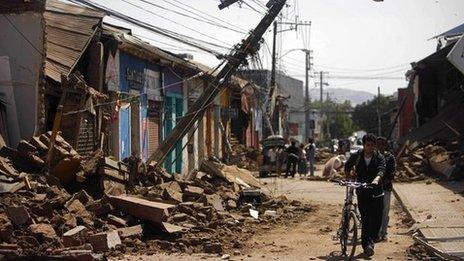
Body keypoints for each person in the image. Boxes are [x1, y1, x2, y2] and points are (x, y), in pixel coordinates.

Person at [344, 134, 385, 257]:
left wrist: (377, 179)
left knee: (376, 220)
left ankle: (371, 240)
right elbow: (347, 166)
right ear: (364, 145)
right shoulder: (357, 156)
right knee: (366, 219)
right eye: (368, 145)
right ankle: (367, 246)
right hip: (362, 191)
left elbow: (381, 169)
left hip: (376, 192)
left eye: (372, 145)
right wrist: (349, 177)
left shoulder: (379, 157)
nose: (370, 147)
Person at [376, 137, 396, 241]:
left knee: (384, 211)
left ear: (385, 145)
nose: (380, 146)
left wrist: (382, 183)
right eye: (378, 144)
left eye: (382, 144)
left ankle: (383, 232)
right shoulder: (373, 157)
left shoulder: (390, 157)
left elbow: (392, 173)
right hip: (374, 189)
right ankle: (376, 232)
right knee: (375, 211)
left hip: (385, 188)